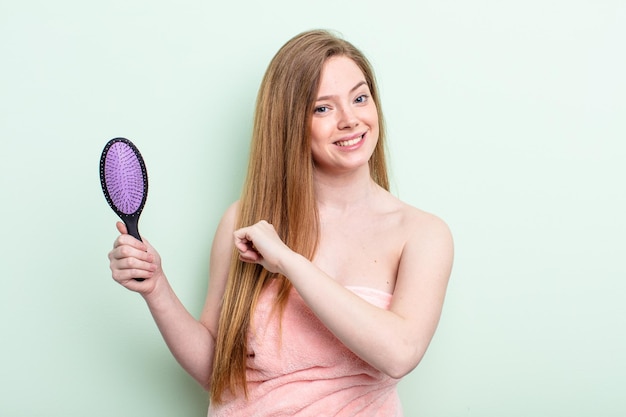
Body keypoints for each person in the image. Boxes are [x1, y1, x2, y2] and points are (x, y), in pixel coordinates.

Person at [108, 29, 453, 416]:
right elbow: (216, 371)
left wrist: (289, 262)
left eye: (359, 98)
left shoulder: (423, 234)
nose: (350, 120)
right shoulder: (242, 222)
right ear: (290, 124)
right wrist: (156, 288)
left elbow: (400, 353)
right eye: (323, 108)